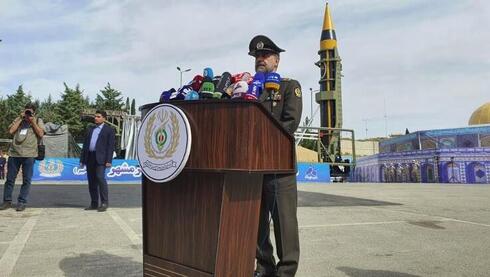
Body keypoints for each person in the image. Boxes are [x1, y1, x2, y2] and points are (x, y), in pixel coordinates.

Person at [249, 35, 303, 277]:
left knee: (284, 224)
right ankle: (264, 266)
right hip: (252, 168)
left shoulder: (290, 87)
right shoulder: (250, 88)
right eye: (257, 56)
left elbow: (289, 123)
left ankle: (286, 271)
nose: (260, 59)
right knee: (257, 222)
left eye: (265, 55)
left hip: (280, 167)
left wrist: (259, 140)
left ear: (276, 61)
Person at [0, 103, 45, 212]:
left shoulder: (38, 120)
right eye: (26, 111)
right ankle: (7, 201)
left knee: (26, 180)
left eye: (30, 112)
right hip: (14, 154)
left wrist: (32, 121)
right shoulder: (19, 119)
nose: (27, 113)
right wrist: (21, 118)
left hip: (29, 155)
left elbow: (41, 134)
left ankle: (22, 202)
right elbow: (10, 131)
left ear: (34, 112)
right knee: (10, 179)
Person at [80, 110, 115, 212]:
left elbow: (110, 147)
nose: (96, 118)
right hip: (89, 157)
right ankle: (94, 203)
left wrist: (109, 160)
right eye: (95, 116)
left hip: (101, 159)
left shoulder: (109, 130)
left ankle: (104, 203)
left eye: (98, 116)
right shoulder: (90, 129)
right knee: (91, 181)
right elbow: (85, 145)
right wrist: (82, 159)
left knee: (100, 178)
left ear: (104, 118)